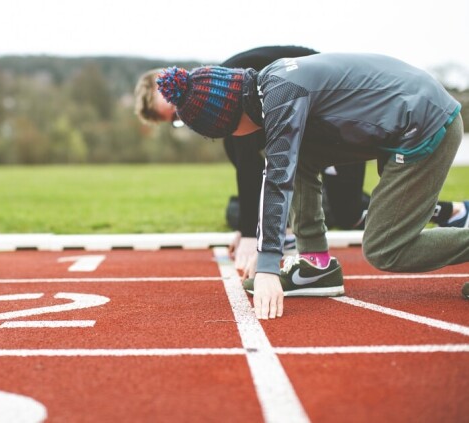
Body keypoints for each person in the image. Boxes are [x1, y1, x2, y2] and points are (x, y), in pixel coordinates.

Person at [156, 53, 469, 318]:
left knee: (386, 248)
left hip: (427, 125)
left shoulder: (281, 96)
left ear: (228, 122)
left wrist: (267, 267)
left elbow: (278, 179)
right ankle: (314, 264)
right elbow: (287, 165)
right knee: (300, 156)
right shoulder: (272, 82)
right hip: (407, 114)